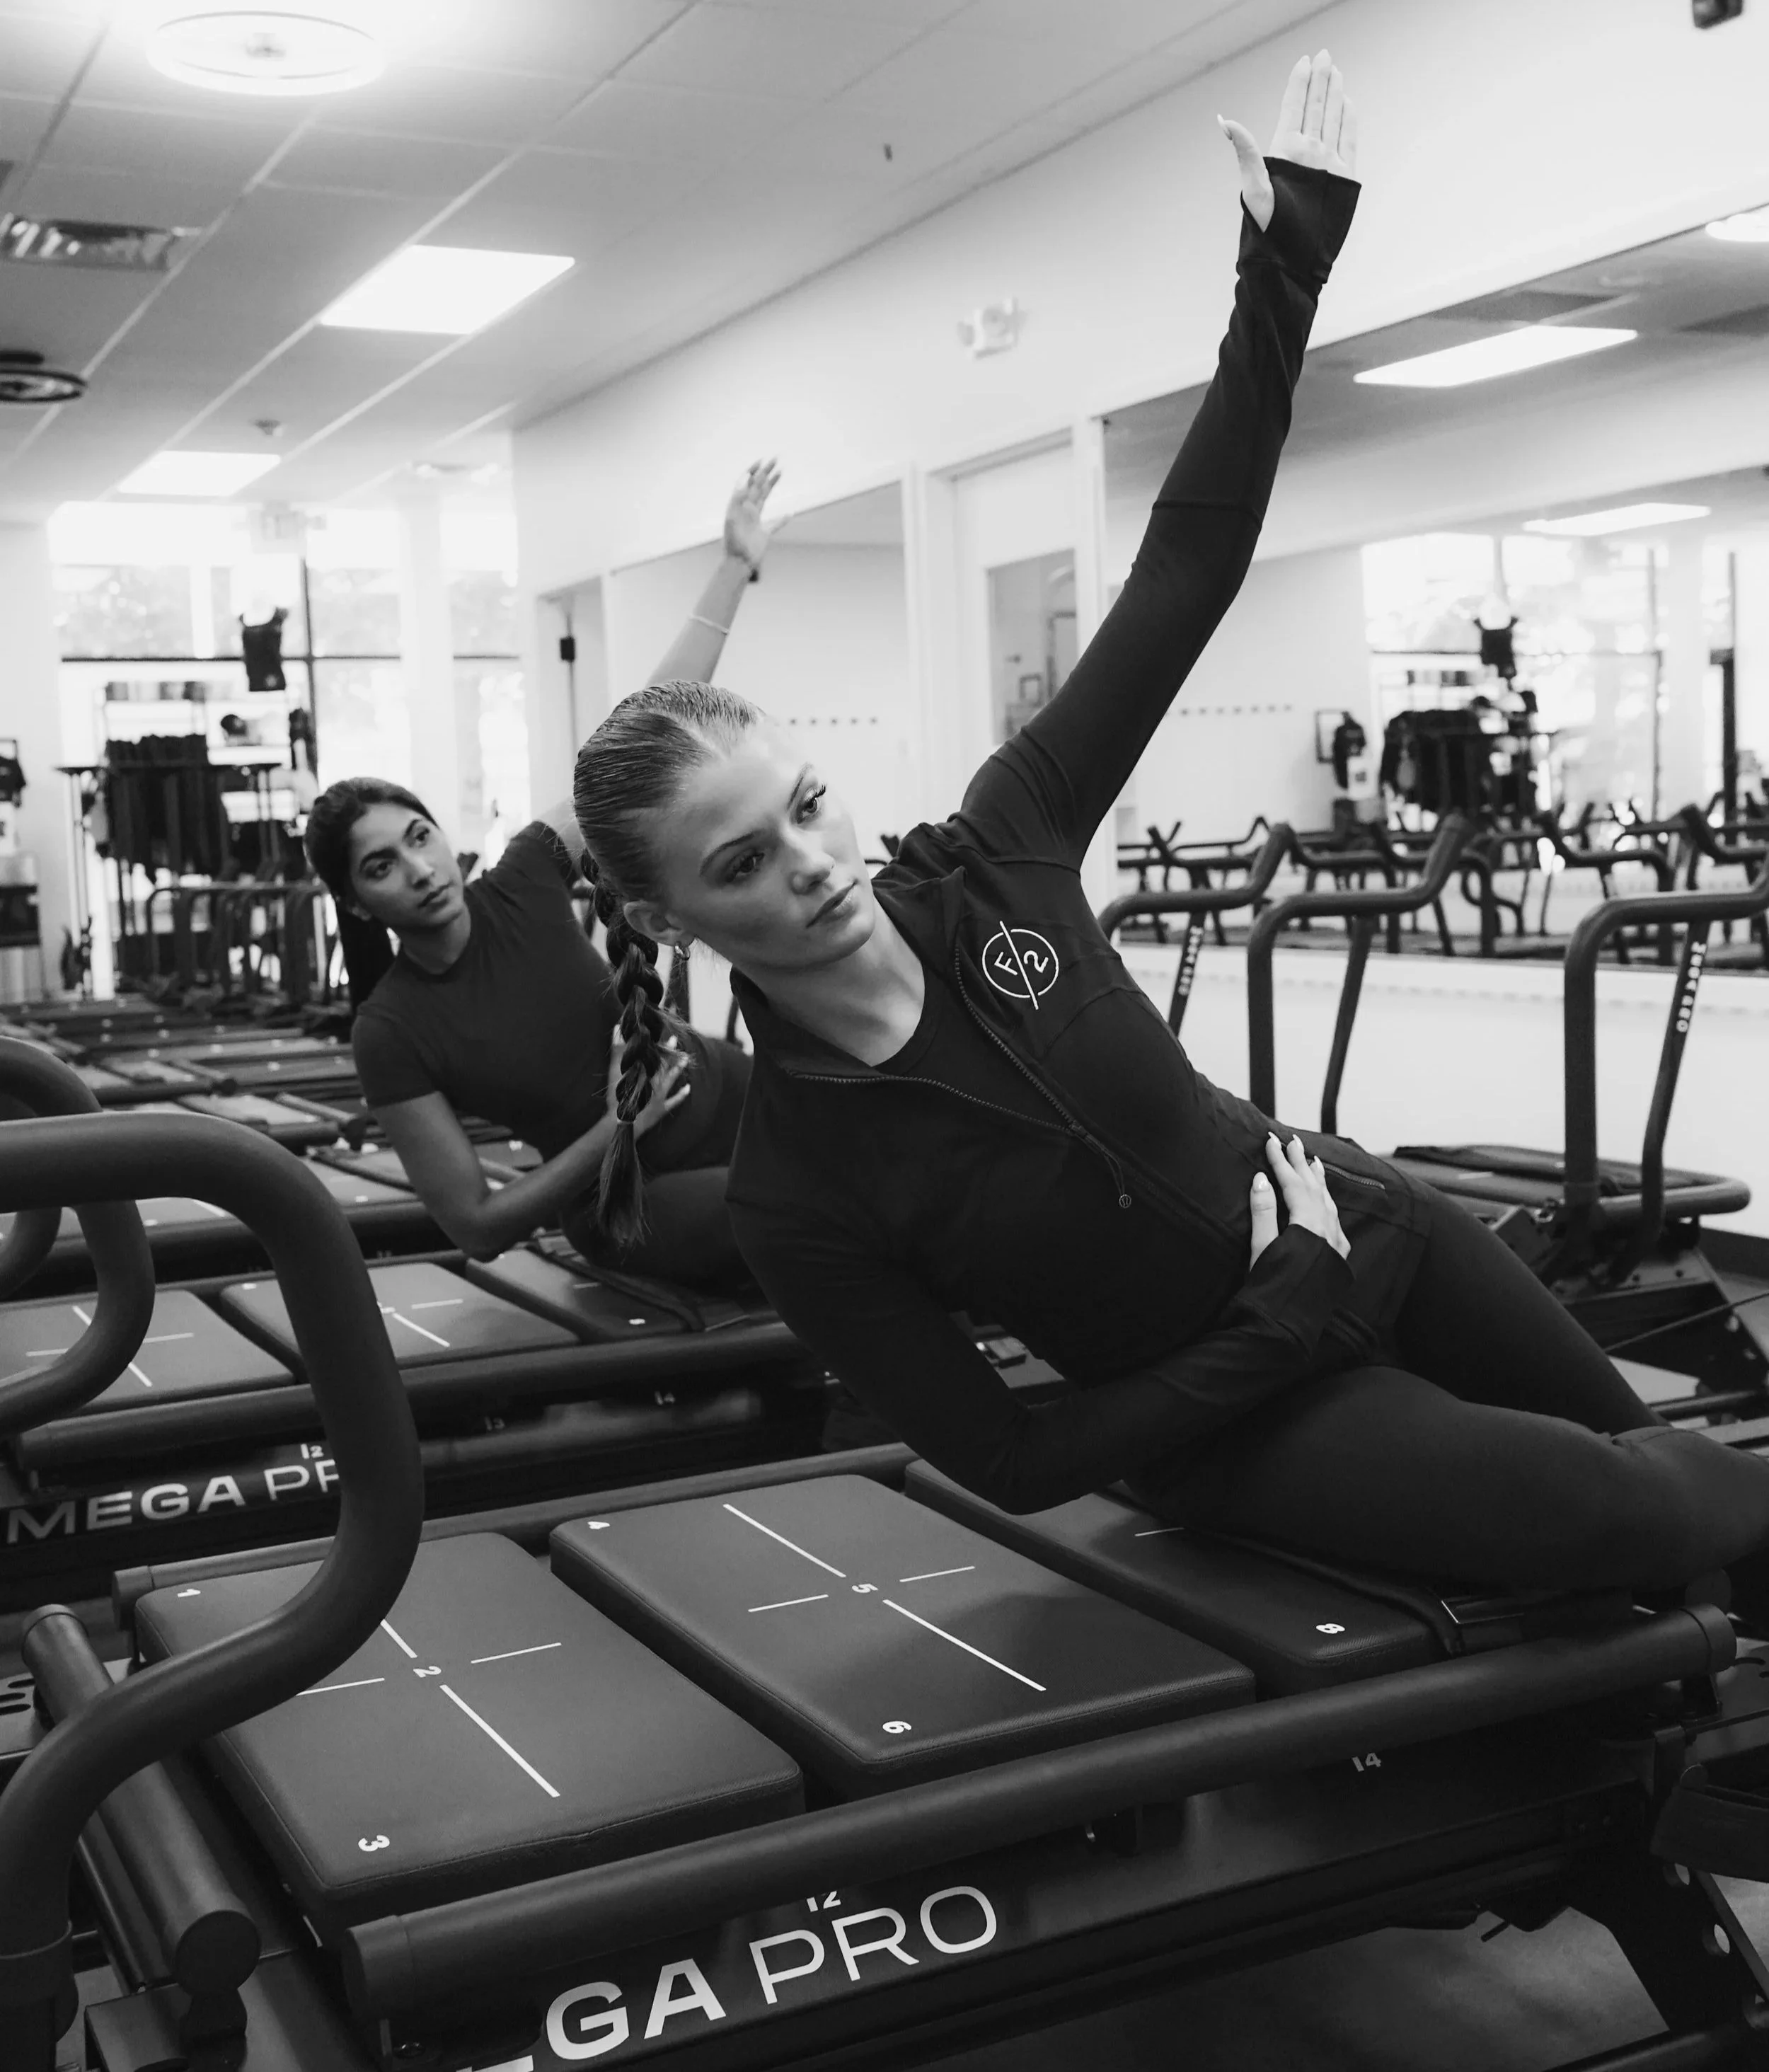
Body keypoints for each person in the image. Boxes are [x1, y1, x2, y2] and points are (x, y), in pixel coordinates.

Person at [565, 56, 1769, 1601]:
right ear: (670, 920)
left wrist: (1283, 268)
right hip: (1240, 1400)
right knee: (1629, 1514)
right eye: (739, 862)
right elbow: (1006, 1453)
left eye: (802, 806)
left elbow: (1181, 574)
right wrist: (1279, 1316)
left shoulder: (995, 847)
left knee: (1689, 1513)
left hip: (1364, 1218)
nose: (806, 862)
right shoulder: (798, 1190)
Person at [304, 462, 780, 1290]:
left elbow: (647, 729)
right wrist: (617, 1127)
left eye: (420, 836)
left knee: (908, 1166)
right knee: (819, 1211)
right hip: (633, 1195)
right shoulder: (391, 1030)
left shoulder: (521, 873)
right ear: (354, 899)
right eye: (382, 866)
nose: (419, 869)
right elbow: (476, 1225)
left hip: (737, 1094)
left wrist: (734, 564)